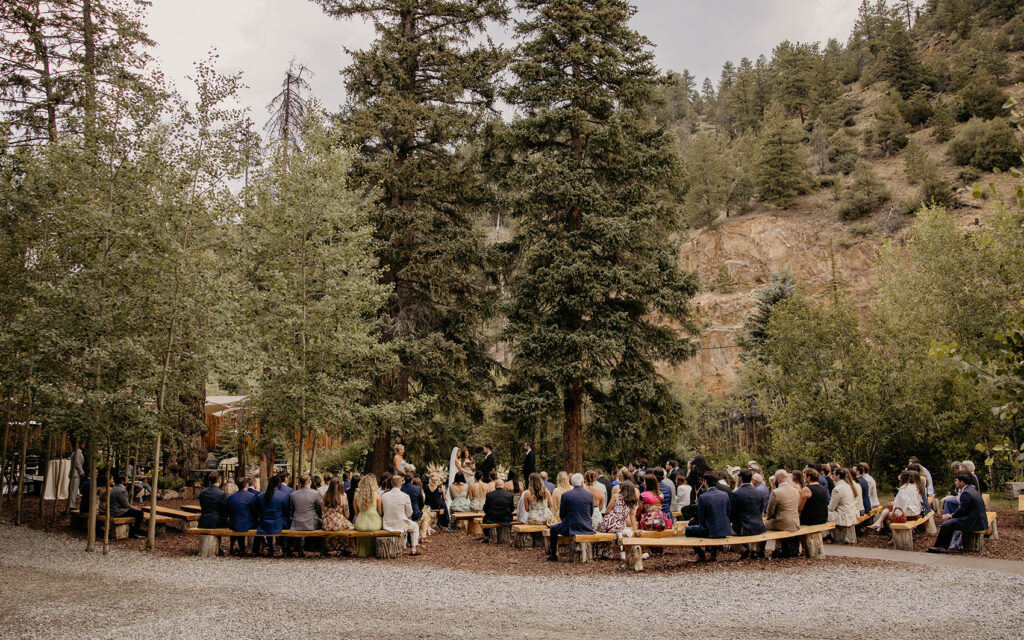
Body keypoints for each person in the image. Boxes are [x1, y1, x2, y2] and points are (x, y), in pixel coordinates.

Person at [927, 471, 988, 554]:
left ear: (962, 482)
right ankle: (941, 546)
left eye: (956, 481)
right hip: (975, 518)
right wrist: (952, 515)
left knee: (947, 524)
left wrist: (950, 516)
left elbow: (962, 510)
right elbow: (963, 509)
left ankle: (941, 547)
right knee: (949, 523)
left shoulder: (966, 493)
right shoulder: (971, 488)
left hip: (974, 521)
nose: (955, 483)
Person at [685, 472, 732, 562]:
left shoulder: (703, 497)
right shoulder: (724, 494)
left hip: (711, 530)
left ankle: (701, 554)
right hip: (725, 528)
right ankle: (713, 554)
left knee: (687, 530)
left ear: (705, 481)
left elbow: (701, 518)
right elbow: (728, 512)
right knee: (711, 525)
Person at [547, 473, 595, 561]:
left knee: (553, 529)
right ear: (582, 482)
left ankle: (553, 555)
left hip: (570, 527)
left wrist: (565, 521)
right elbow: (591, 513)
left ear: (572, 483)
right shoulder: (589, 495)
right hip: (586, 526)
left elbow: (562, 514)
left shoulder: (566, 495)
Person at [730, 469, 767, 559]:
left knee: (726, 533)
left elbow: (733, 514)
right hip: (758, 526)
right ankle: (754, 549)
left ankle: (743, 550)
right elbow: (760, 510)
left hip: (744, 527)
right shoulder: (758, 493)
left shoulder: (736, 494)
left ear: (741, 479)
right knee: (750, 526)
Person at [765, 470, 800, 558]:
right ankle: (778, 548)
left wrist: (768, 517)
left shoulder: (776, 492)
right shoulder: (795, 490)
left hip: (782, 523)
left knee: (761, 526)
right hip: (795, 522)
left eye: (775, 478)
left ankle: (758, 551)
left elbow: (770, 511)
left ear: (779, 479)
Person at [382, 474, 419, 556]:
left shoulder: (384, 496)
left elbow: (383, 511)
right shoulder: (405, 496)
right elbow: (409, 513)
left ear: (391, 484)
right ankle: (413, 549)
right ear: (400, 484)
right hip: (401, 524)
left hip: (387, 524)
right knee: (415, 527)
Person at [253, 475, 290, 557]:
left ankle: (270, 546)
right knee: (285, 522)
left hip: (264, 523)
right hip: (278, 523)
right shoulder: (284, 496)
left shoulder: (260, 496)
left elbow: (258, 510)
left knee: (269, 525)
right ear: (279, 483)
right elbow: (286, 511)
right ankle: (281, 547)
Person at [287, 474, 323, 556]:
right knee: (322, 523)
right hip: (311, 522)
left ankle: (300, 548)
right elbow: (319, 509)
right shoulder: (316, 493)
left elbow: (292, 509)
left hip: (296, 522)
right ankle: (321, 549)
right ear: (310, 482)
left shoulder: (293, 494)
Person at [100, 475, 144, 539]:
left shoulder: (114, 488)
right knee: (139, 513)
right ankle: (134, 533)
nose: (128, 481)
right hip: (117, 512)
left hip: (112, 510)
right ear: (122, 481)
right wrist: (134, 507)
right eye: (127, 480)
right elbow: (126, 505)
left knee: (133, 512)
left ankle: (132, 529)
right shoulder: (122, 490)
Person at [353, 474, 383, 558]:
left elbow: (356, 513)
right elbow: (380, 512)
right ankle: (372, 551)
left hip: (360, 524)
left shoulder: (356, 495)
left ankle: (362, 551)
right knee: (376, 525)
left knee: (362, 529)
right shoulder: (377, 495)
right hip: (374, 523)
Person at [227, 476, 258, 556]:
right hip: (248, 524)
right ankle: (254, 549)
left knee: (241, 521)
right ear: (246, 485)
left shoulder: (230, 497)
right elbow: (254, 511)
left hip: (234, 523)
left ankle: (241, 547)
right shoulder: (252, 497)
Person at [70, 442, 85, 510]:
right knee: (74, 489)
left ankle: (72, 504)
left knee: (74, 489)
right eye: (83, 444)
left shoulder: (78, 452)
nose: (84, 445)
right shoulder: (77, 452)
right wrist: (81, 471)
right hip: (75, 473)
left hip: (76, 473)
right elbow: (77, 462)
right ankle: (71, 505)